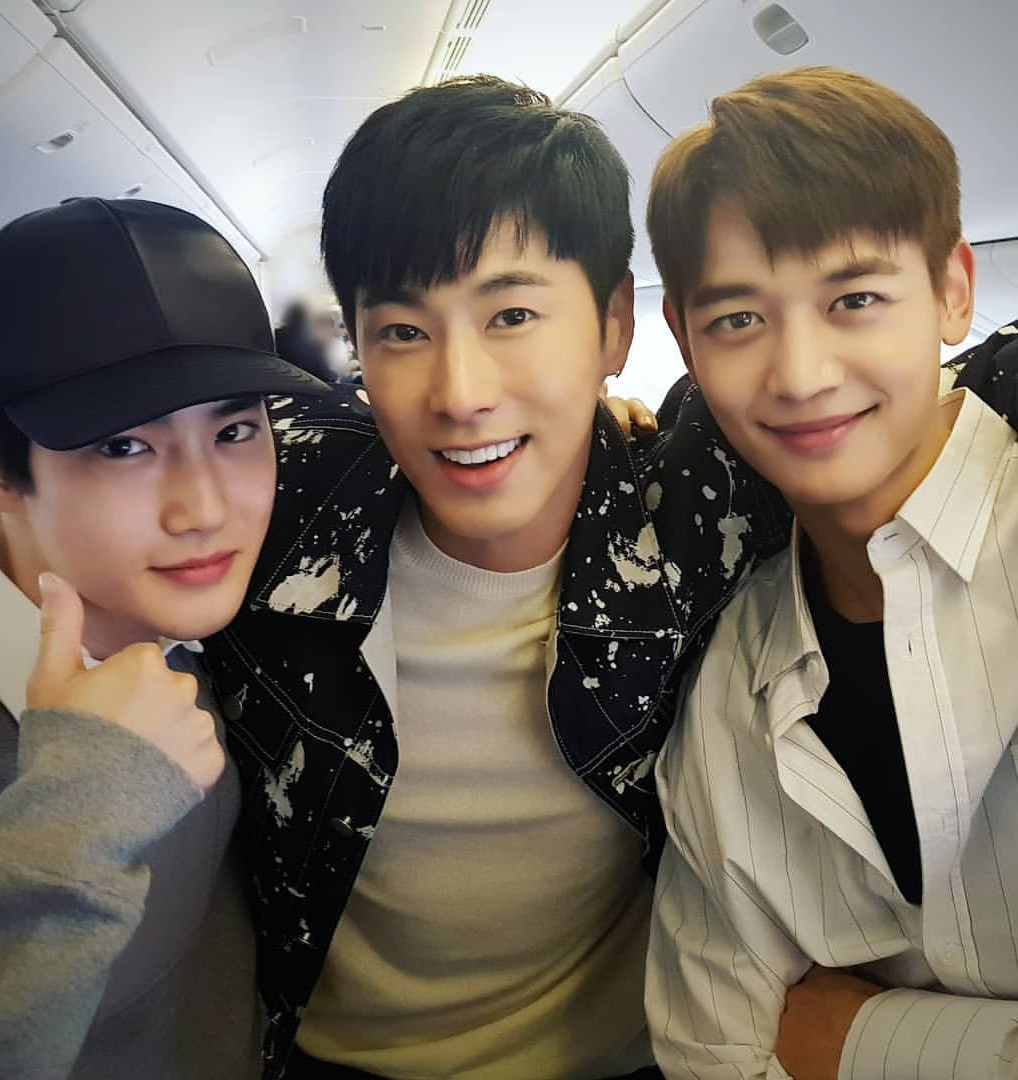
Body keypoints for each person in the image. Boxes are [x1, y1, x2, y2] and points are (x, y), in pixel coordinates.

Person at [201, 74, 797, 1080]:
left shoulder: (702, 511)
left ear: (615, 326)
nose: (460, 393)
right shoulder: (271, 497)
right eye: (402, 332)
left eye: (513, 314)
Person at [643, 67, 1018, 1079]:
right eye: (738, 320)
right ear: (683, 341)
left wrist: (860, 1040)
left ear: (953, 291)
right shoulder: (731, 688)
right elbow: (709, 1051)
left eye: (854, 298)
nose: (801, 375)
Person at [0, 196, 323, 1079]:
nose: (206, 510)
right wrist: (83, 811)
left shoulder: (199, 606)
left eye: (235, 430)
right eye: (122, 448)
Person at [275, 299, 337, 384]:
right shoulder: (312, 345)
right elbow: (328, 376)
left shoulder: (276, 336)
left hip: (278, 384)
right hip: (306, 387)